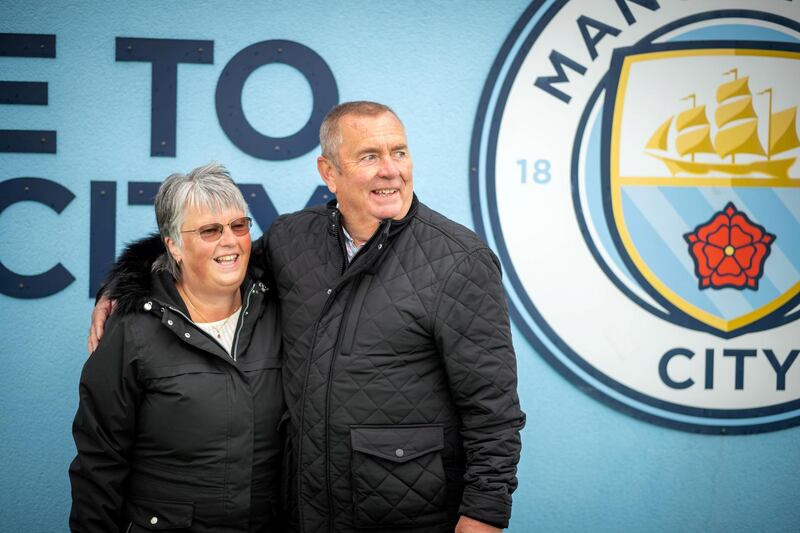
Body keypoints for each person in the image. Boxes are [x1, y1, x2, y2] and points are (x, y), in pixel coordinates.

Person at [90, 102, 525, 533]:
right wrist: (128, 280)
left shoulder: (459, 261)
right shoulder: (293, 239)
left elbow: (493, 413)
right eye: (370, 156)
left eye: (399, 152)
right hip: (306, 517)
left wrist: (483, 516)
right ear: (328, 172)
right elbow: (219, 259)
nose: (391, 170)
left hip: (410, 520)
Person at [71, 163, 284, 532]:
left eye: (238, 225)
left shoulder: (279, 314)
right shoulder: (133, 331)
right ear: (173, 245)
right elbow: (99, 464)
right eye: (209, 231)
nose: (230, 241)